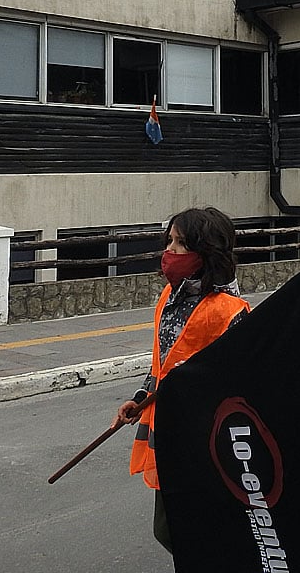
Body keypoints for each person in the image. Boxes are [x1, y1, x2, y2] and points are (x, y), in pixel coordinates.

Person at [114, 207, 250, 552]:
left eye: (180, 244)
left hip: (206, 442)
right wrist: (140, 397)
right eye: (169, 241)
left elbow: (240, 385)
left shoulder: (229, 311)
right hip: (170, 436)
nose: (169, 251)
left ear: (205, 253)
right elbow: (161, 363)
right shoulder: (167, 298)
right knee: (171, 530)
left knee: (192, 530)